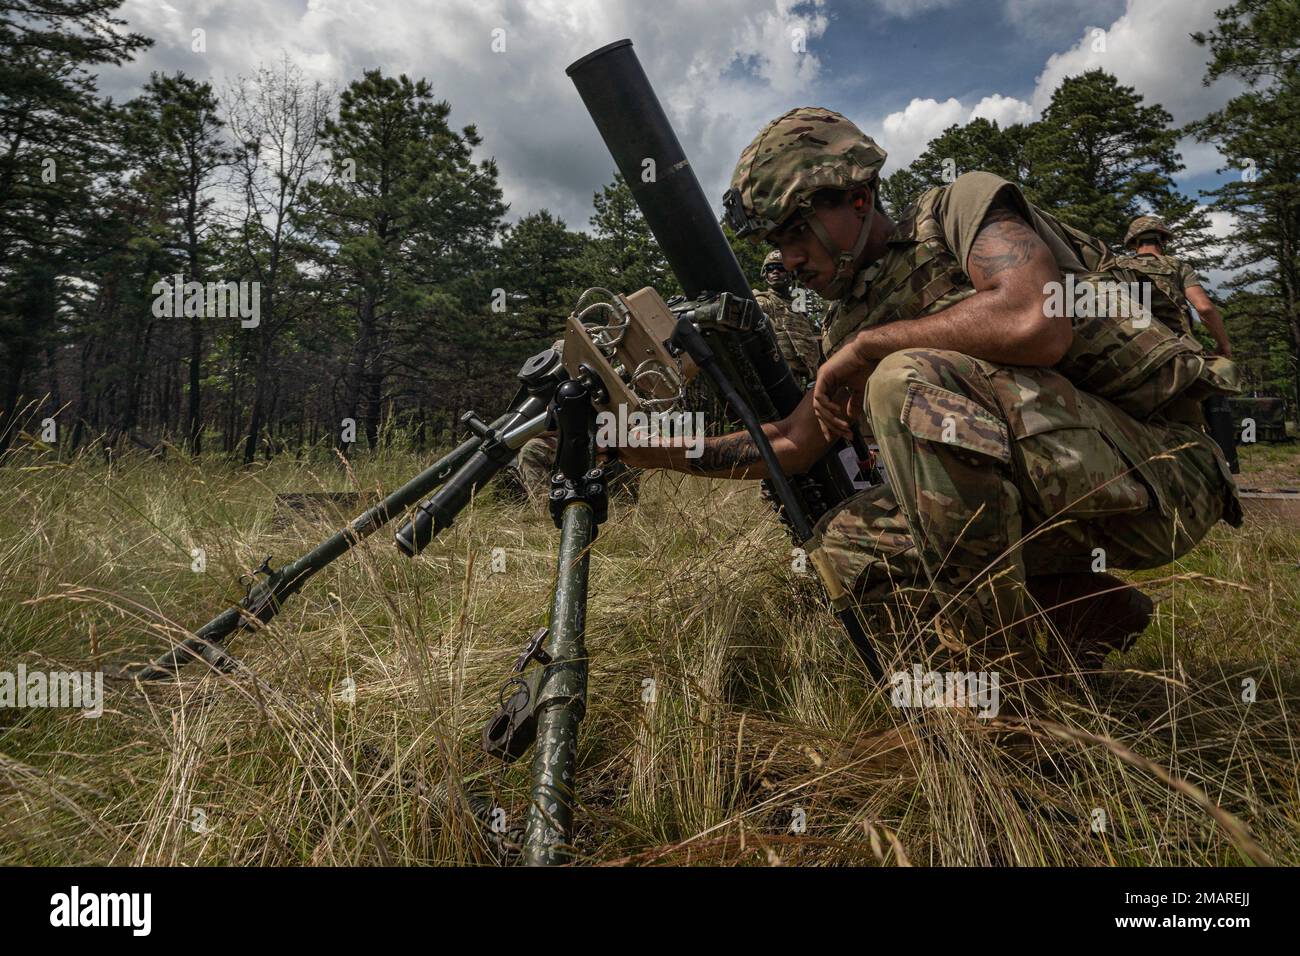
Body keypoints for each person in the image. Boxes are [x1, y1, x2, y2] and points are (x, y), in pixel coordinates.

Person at [619, 108, 1242, 697]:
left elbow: (1035, 317)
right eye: (774, 243)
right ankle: (1079, 620)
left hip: (1165, 474)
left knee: (901, 379)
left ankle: (1001, 695)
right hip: (1058, 489)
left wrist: (869, 350)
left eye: (795, 232)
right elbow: (792, 443)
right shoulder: (847, 323)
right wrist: (650, 447)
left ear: (857, 198)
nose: (788, 259)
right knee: (838, 555)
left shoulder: (958, 208)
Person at [754, 249, 822, 389]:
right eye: (770, 268)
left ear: (791, 273)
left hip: (808, 378)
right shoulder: (763, 301)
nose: (775, 272)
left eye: (781, 268)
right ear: (765, 273)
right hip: (780, 377)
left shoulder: (798, 307)